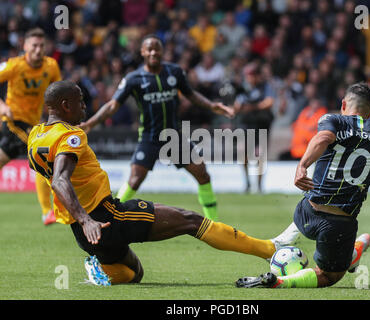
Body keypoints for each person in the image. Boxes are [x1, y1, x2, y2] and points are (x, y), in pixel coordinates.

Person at [27, 80, 290, 285]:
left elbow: (47, 175)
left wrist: (80, 221)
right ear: (65, 105)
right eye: (80, 101)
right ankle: (269, 248)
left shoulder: (36, 136)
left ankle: (103, 271)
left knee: (135, 273)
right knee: (191, 220)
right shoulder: (71, 135)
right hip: (105, 218)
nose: (84, 106)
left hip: (83, 233)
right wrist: (87, 219)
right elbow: (60, 179)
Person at [236, 82, 370, 288]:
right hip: (339, 225)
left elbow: (323, 138)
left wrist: (302, 166)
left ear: (343, 104)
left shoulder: (332, 119)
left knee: (313, 198)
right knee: (330, 276)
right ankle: (280, 281)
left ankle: (284, 242)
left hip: (307, 212)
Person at [80, 34, 234, 222]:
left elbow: (191, 94)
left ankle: (215, 223)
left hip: (174, 137)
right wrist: (90, 123)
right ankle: (110, 218)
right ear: (143, 52)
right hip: (149, 137)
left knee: (202, 173)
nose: (153, 52)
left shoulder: (175, 72)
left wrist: (211, 105)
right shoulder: (134, 78)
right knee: (135, 180)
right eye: (149, 49)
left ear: (162, 51)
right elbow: (113, 105)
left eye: (156, 48)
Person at [0, 28, 62, 225]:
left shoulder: (51, 66)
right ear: (25, 46)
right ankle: (47, 212)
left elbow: (58, 93)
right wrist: (2, 106)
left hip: (34, 123)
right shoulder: (14, 66)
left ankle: (48, 211)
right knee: (41, 156)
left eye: (41, 46)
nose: (38, 50)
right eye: (34, 45)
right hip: (12, 122)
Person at [234, 63, 275, 193]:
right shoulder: (243, 89)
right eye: (247, 76)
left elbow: (269, 102)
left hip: (261, 125)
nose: (249, 79)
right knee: (242, 153)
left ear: (257, 76)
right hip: (247, 124)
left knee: (260, 155)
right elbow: (236, 106)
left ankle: (259, 186)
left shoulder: (265, 87)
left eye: (251, 76)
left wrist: (252, 107)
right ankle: (246, 182)